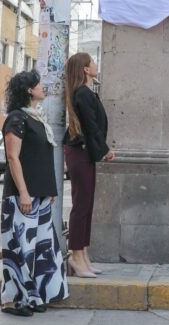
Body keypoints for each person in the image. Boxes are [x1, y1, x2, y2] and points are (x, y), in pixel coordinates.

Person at [0, 70, 68, 316]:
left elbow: (41, 158)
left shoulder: (37, 118)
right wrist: (24, 193)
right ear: (29, 90)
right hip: (23, 196)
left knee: (40, 249)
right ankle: (13, 300)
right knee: (20, 248)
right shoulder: (17, 119)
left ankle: (35, 295)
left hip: (40, 194)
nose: (43, 88)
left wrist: (49, 190)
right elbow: (13, 157)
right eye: (38, 85)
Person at [63, 53, 115, 278]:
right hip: (79, 152)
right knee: (81, 206)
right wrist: (104, 149)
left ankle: (83, 254)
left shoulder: (86, 92)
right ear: (85, 69)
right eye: (92, 62)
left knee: (86, 205)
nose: (96, 64)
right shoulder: (82, 93)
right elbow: (91, 126)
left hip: (85, 154)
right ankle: (76, 256)